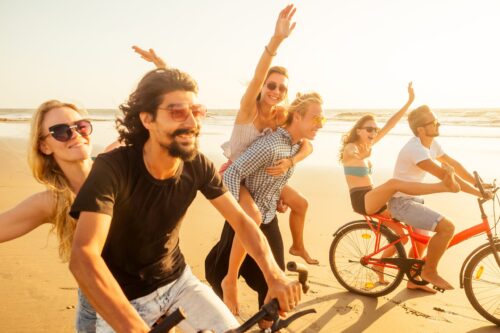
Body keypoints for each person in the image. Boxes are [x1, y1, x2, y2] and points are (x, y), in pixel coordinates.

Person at [69, 68, 301, 333]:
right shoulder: (113, 168)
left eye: (197, 111)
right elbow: (83, 256)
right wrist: (132, 327)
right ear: (148, 119)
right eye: (177, 112)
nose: (192, 122)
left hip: (179, 283)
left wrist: (274, 275)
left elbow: (241, 220)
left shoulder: (197, 165)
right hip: (123, 297)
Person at [205, 92, 324, 322]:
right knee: (220, 275)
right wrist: (238, 211)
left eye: (323, 120)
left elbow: (307, 148)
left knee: (275, 287)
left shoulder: (295, 144)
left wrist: (279, 187)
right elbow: (231, 173)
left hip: (269, 219)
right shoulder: (270, 146)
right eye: (316, 118)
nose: (320, 124)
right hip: (247, 223)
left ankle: (267, 325)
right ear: (297, 117)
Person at [0, 100, 97, 332]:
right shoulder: (53, 201)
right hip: (98, 309)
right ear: (44, 146)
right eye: (61, 131)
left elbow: (156, 120)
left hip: (158, 292)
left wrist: (161, 67)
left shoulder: (117, 169)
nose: (75, 134)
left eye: (81, 126)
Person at [387, 105, 489, 291]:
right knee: (447, 228)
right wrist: (479, 193)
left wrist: (478, 183)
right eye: (433, 123)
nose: (438, 124)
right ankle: (429, 271)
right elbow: (445, 176)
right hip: (401, 203)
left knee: (422, 242)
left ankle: (413, 279)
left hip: (412, 200)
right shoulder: (416, 150)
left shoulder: (431, 144)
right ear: (421, 129)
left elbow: (453, 164)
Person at [340, 82, 460, 218]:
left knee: (400, 236)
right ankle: (443, 186)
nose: (373, 133)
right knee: (394, 184)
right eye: (369, 129)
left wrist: (409, 102)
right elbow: (352, 153)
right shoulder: (350, 147)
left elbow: (390, 124)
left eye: (375, 130)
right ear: (358, 131)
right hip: (362, 200)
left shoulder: (369, 145)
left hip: (374, 198)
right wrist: (360, 156)